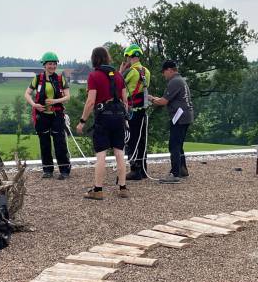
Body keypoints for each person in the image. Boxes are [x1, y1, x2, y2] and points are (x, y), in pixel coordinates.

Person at [76, 47, 130, 200]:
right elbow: (125, 101)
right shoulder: (119, 76)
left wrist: (82, 121)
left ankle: (98, 190)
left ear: (94, 59)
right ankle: (123, 187)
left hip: (103, 118)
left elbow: (91, 101)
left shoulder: (94, 76)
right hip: (119, 117)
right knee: (120, 152)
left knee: (101, 154)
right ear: (107, 58)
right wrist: (125, 119)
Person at [24, 51, 71, 179]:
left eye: (54, 64)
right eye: (50, 64)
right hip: (42, 115)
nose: (52, 66)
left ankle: (64, 170)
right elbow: (27, 94)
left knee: (59, 142)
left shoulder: (61, 78)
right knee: (44, 143)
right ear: (44, 65)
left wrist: (55, 101)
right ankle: (47, 170)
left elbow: (68, 97)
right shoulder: (38, 79)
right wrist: (34, 104)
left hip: (57, 115)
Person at [149, 60, 194, 184]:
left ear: (169, 70)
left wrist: (151, 99)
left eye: (164, 72)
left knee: (173, 145)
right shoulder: (180, 80)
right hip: (186, 115)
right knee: (178, 144)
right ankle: (182, 169)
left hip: (179, 117)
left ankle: (175, 174)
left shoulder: (174, 82)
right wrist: (155, 99)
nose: (164, 75)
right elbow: (166, 99)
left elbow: (163, 101)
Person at [120, 44, 151, 180]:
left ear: (130, 56)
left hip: (132, 111)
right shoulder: (147, 71)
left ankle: (135, 170)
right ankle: (143, 169)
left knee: (132, 139)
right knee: (142, 139)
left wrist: (121, 72)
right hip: (143, 110)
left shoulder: (130, 72)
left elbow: (116, 84)